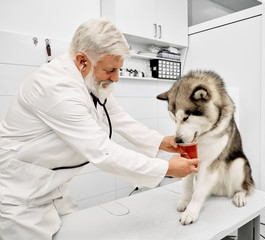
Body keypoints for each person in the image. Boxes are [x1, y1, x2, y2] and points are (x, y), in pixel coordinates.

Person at [0, 18, 199, 240]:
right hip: (21, 198)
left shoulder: (89, 80)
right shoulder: (55, 89)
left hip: (53, 189)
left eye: (118, 69)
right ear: (82, 61)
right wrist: (165, 169)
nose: (115, 78)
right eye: (110, 70)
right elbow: (103, 152)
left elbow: (117, 116)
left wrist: (160, 141)